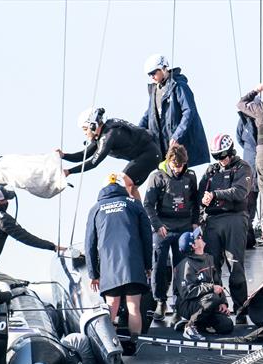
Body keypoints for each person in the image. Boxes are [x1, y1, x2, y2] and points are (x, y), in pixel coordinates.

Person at [85, 174, 153, 338]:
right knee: (133, 307)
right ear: (122, 186)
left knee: (111, 307)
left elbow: (90, 244)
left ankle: (110, 344)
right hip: (133, 264)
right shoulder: (135, 205)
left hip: (109, 267)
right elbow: (147, 237)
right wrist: (147, 265)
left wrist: (93, 274)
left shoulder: (96, 208)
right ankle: (135, 343)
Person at [197, 133, 252, 324]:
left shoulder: (242, 167)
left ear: (230, 152)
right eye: (216, 156)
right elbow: (200, 193)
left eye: (222, 155)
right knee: (213, 266)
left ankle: (241, 309)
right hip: (212, 221)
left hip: (235, 219)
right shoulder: (211, 171)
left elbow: (240, 192)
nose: (220, 160)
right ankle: (219, 306)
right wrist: (203, 202)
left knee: (235, 264)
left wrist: (214, 194)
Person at [0, 185, 62, 284]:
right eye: (6, 200)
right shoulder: (3, 220)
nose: (7, 202)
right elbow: (27, 238)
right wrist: (52, 246)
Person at [143, 143, 199, 319]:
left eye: (181, 166)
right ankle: (160, 301)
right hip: (163, 228)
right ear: (169, 162)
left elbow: (195, 202)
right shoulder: (157, 177)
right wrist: (157, 224)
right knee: (159, 265)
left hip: (183, 227)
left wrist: (195, 223)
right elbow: (148, 205)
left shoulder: (190, 176)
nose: (178, 169)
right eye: (175, 166)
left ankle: (179, 304)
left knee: (181, 268)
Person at [58, 108, 161, 201]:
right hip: (147, 154)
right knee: (131, 188)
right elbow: (83, 155)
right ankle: (140, 217)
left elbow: (93, 162)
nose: (84, 133)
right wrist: (64, 155)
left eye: (85, 129)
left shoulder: (108, 136)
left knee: (123, 181)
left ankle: (135, 215)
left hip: (149, 154)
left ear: (93, 125)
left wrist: (69, 171)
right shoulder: (104, 131)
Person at [140, 54, 209, 168]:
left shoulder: (179, 86)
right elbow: (148, 116)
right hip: (165, 151)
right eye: (149, 74)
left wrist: (177, 136)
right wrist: (136, 132)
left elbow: (189, 111)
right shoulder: (154, 91)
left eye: (153, 73)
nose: (152, 77)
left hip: (184, 150)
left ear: (163, 68)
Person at [173, 227, 234, 341]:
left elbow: (217, 283)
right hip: (187, 304)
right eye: (198, 237)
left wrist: (223, 303)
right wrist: (211, 289)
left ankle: (195, 322)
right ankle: (190, 327)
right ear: (194, 246)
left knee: (226, 326)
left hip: (207, 301)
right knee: (213, 297)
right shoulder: (186, 265)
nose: (201, 237)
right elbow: (186, 292)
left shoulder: (209, 259)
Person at [236, 83, 263, 247]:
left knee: (261, 193)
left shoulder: (258, 111)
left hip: (256, 156)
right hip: (250, 159)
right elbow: (239, 138)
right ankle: (249, 236)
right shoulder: (244, 119)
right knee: (250, 198)